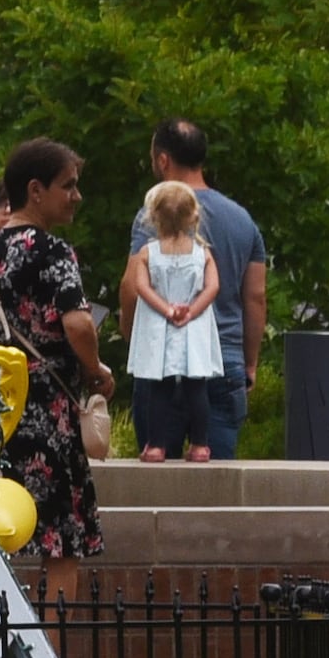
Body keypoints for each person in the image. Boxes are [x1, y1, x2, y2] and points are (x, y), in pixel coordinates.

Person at [0, 139, 105, 560]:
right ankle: (50, 629)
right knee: (61, 543)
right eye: (68, 186)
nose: (77, 196)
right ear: (36, 190)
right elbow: (78, 323)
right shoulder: (54, 252)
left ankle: (5, 626)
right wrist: (95, 370)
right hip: (50, 412)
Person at [144, 121, 270, 458]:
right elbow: (255, 297)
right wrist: (250, 362)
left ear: (163, 160)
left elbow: (133, 286)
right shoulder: (242, 219)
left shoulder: (154, 216)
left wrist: (136, 341)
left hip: (162, 355)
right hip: (222, 357)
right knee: (218, 483)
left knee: (155, 484)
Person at [122, 178, 225, 462]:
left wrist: (167, 310)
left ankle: (156, 445)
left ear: (153, 216)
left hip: (160, 326)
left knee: (160, 388)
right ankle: (201, 444)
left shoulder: (148, 252)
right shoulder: (202, 253)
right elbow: (213, 287)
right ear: (194, 215)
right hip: (193, 326)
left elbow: (140, 287)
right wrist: (191, 311)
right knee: (196, 387)